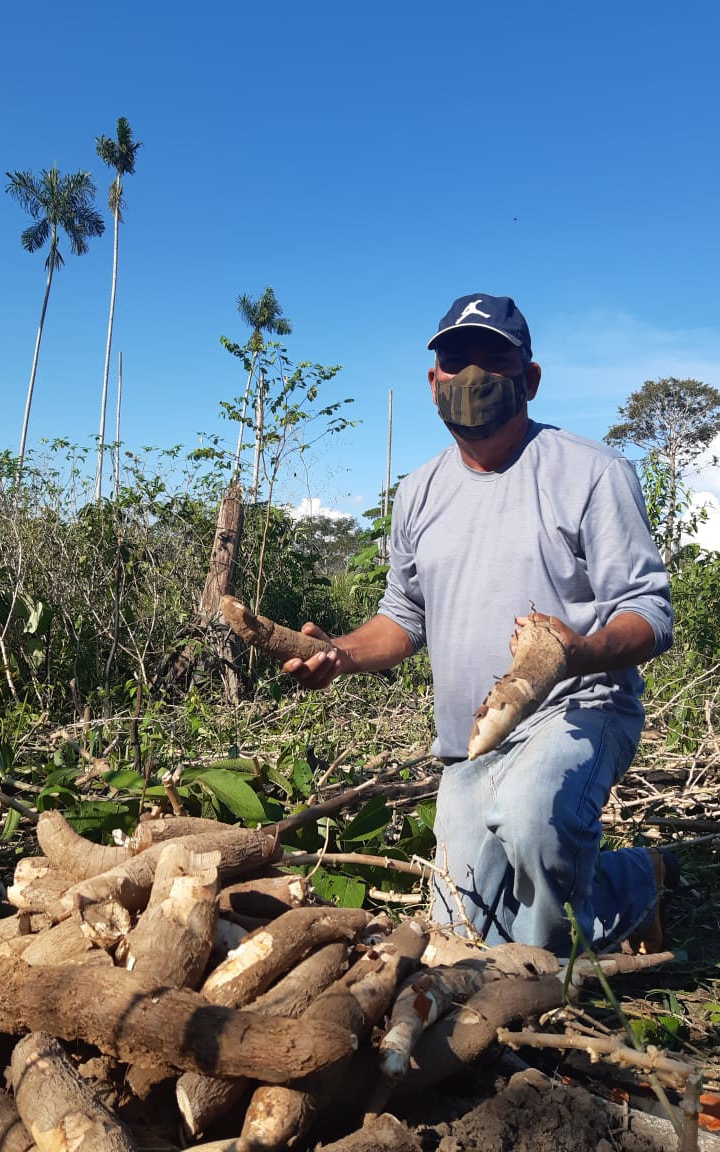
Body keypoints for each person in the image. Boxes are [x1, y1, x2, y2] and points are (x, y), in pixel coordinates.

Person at [283, 293, 674, 956]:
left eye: (493, 359)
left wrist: (575, 653)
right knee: (463, 929)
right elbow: (403, 619)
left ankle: (550, 974)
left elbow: (650, 613)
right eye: (454, 360)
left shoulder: (589, 472)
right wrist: (341, 653)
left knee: (532, 825)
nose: (471, 376)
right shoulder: (420, 491)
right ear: (433, 382)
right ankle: (633, 877)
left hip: (577, 709)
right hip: (472, 741)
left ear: (530, 377)